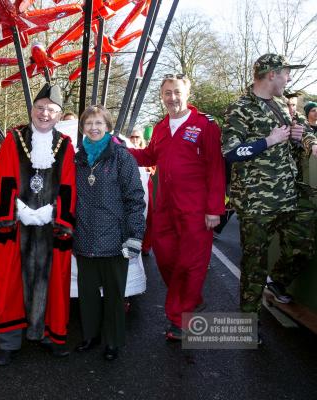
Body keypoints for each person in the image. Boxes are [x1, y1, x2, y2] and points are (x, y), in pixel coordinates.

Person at [0, 83, 76, 366]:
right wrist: (17, 209)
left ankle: (50, 336)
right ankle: (9, 341)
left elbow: (68, 184)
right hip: (17, 225)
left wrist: (53, 212)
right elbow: (2, 177)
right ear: (32, 109)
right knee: (11, 283)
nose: (45, 114)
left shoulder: (65, 145)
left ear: (58, 115)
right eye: (40, 108)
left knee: (52, 282)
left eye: (51, 110)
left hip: (50, 226)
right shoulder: (14, 138)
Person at [222, 54, 317, 336]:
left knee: (305, 241)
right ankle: (248, 325)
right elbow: (230, 152)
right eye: (286, 72)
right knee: (254, 265)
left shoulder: (283, 105)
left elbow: (303, 130)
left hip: (289, 196)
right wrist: (268, 141)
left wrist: (308, 142)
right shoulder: (240, 108)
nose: (289, 78)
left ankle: (277, 283)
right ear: (272, 74)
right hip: (256, 203)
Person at [128, 74, 226, 341]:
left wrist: (215, 209)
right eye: (167, 93)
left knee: (191, 263)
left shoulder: (204, 124)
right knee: (166, 258)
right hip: (165, 207)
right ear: (162, 96)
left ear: (187, 92)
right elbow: (148, 156)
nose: (172, 98)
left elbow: (216, 168)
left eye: (177, 92)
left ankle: (180, 318)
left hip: (196, 209)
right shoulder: (160, 128)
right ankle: (189, 298)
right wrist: (120, 150)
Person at [73, 105, 145, 361]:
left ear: (108, 126)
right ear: (82, 128)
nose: (93, 127)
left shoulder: (122, 157)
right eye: (89, 123)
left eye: (98, 123)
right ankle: (90, 336)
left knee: (115, 295)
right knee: (87, 294)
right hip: (83, 238)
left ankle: (112, 341)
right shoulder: (76, 159)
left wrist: (135, 235)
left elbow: (135, 199)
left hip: (115, 240)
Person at [128, 128, 153, 255]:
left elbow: (153, 168)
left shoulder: (146, 152)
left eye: (137, 137)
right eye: (132, 137)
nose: (134, 139)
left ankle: (146, 246)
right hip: (130, 186)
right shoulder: (124, 148)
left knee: (149, 216)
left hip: (147, 186)